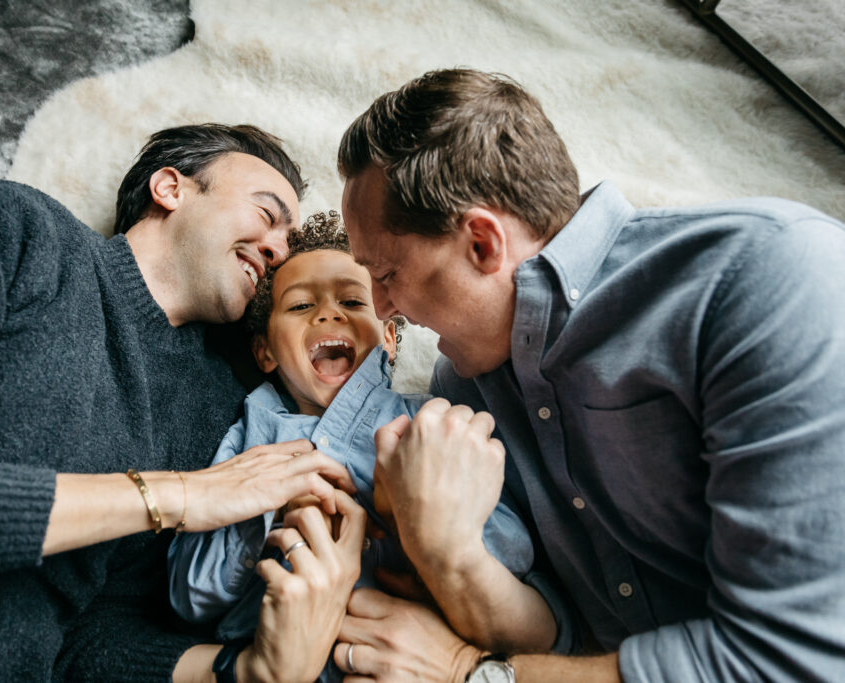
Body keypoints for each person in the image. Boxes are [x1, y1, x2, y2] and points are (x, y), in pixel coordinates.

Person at [334, 68, 845, 681]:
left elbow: (795, 661)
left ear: (481, 244)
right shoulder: (461, 395)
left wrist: (472, 674)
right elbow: (565, 630)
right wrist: (448, 556)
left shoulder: (766, 276)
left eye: (386, 273)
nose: (381, 308)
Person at [0, 123, 363, 682]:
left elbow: (92, 635)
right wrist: (177, 494)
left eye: (289, 244)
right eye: (266, 214)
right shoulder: (13, 231)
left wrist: (247, 671)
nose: (278, 252)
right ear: (170, 188)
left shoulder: (223, 413)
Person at [167, 210, 559, 680]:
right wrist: (266, 513)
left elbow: (517, 558)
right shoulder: (250, 437)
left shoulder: (431, 423)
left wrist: (412, 518)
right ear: (265, 352)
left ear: (390, 339)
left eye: (353, 302)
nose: (328, 314)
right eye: (299, 306)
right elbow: (189, 597)